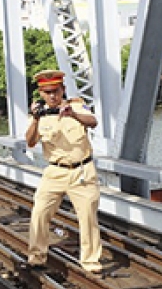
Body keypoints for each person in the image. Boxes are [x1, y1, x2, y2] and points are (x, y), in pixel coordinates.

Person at [24, 69, 103, 274]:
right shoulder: (39, 114)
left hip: (82, 171)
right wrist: (34, 119)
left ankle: (91, 262)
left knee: (87, 217)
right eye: (47, 92)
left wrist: (74, 114)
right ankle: (37, 256)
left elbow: (93, 121)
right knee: (39, 212)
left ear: (63, 89)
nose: (52, 96)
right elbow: (30, 141)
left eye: (56, 91)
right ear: (41, 93)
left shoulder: (76, 105)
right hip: (55, 171)